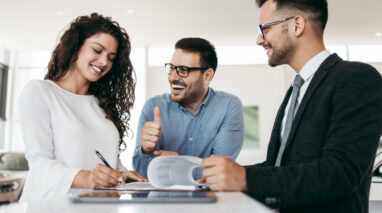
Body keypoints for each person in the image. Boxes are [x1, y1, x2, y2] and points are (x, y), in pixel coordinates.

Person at [201, 0, 382, 212]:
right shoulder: (295, 90)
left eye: (265, 28)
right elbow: (280, 167)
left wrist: (245, 178)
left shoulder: (357, 78)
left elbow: (340, 173)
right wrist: (222, 174)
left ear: (296, 25)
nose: (260, 40)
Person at [18, 13, 147, 202]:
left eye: (111, 58)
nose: (104, 62)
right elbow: (39, 164)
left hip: (101, 207)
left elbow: (105, 158)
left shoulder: (101, 104)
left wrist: (121, 174)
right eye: (97, 50)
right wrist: (86, 177)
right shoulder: (40, 91)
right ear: (76, 46)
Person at [133, 38, 245, 178]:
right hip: (161, 199)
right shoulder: (153, 107)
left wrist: (179, 164)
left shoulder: (229, 106)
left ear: (207, 76)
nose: (173, 77)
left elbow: (218, 172)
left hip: (210, 199)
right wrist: (146, 151)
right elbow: (140, 173)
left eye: (183, 70)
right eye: (172, 68)